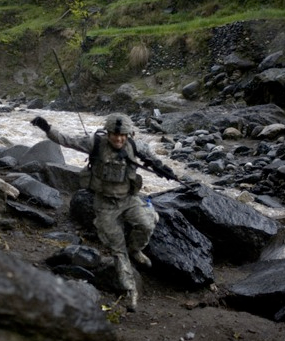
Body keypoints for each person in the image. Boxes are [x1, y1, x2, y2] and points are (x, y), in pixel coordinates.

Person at [30, 113, 176, 311]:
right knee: (118, 249)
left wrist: (166, 171)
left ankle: (136, 249)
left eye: (123, 135)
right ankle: (131, 290)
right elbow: (66, 140)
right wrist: (47, 128)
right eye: (114, 135)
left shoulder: (135, 146)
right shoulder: (95, 143)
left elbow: (153, 161)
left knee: (147, 223)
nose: (118, 139)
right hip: (105, 205)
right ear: (108, 133)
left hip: (129, 200)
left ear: (129, 134)